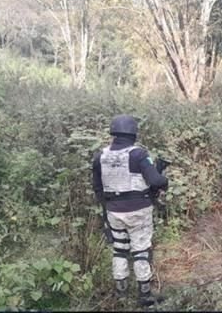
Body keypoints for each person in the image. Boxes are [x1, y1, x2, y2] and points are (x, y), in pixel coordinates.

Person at [92, 115, 169, 307]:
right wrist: (164, 180)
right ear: (134, 133)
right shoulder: (138, 154)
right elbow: (156, 181)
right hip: (139, 211)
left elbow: (98, 189)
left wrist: (108, 208)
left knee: (119, 250)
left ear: (113, 133)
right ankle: (144, 295)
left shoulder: (99, 156)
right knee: (141, 250)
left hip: (113, 211)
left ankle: (121, 293)